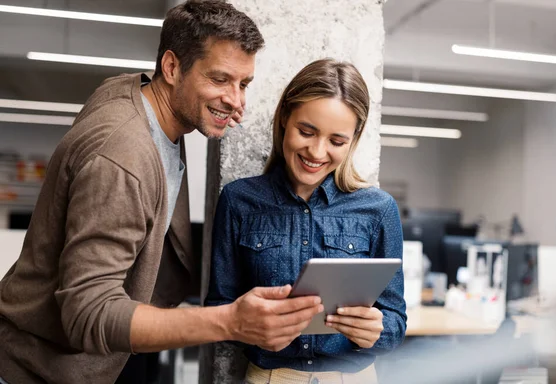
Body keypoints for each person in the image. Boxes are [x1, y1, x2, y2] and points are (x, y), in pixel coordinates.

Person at [0, 2, 323, 384]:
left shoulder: (145, 99)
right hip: (35, 370)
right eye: (220, 79)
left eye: (243, 84)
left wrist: (216, 102)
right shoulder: (123, 156)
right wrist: (230, 321)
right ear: (171, 68)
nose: (237, 101)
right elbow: (87, 312)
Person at [205, 59, 407, 384]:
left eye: (336, 141)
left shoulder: (378, 209)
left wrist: (377, 330)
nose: (317, 151)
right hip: (270, 376)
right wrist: (250, 324)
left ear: (354, 139)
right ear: (285, 117)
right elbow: (219, 308)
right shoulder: (239, 201)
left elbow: (396, 320)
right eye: (306, 131)